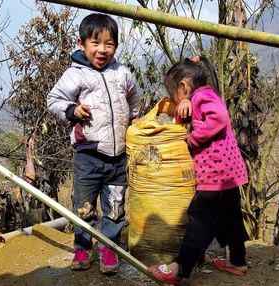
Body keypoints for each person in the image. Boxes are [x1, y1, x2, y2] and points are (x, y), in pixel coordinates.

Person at [47, 13, 138, 274]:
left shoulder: (122, 73)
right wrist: (73, 109)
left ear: (116, 47)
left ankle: (109, 249)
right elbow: (54, 100)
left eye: (109, 44)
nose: (102, 50)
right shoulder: (75, 74)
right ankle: (82, 249)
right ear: (82, 44)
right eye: (95, 43)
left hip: (118, 157)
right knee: (84, 207)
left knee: (115, 207)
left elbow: (133, 100)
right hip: (88, 156)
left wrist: (135, 120)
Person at [148, 56, 249, 285]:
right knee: (231, 218)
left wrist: (193, 137)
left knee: (200, 218)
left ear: (183, 87)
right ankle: (238, 261)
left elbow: (219, 118)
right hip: (230, 173)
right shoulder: (208, 94)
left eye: (174, 94)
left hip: (217, 172)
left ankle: (179, 268)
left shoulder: (202, 96)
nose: (175, 100)